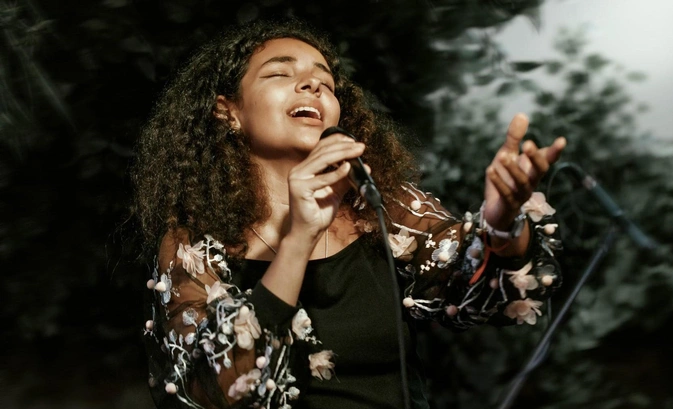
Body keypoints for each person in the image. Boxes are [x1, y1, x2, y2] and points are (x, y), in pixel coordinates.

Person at [131, 17, 567, 409]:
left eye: (325, 82)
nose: (312, 85)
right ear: (228, 111)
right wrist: (299, 237)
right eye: (281, 73)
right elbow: (218, 390)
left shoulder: (378, 207)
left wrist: (502, 222)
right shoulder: (194, 246)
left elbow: (479, 285)